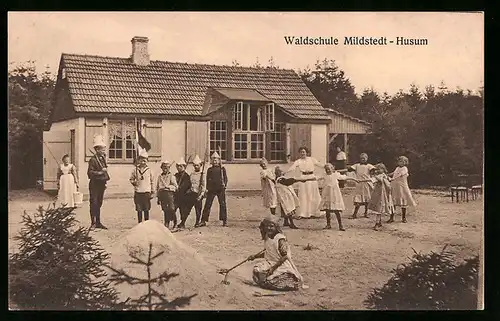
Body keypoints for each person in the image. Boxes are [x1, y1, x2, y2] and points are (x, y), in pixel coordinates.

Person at [247, 216, 305, 291]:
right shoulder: (267, 237)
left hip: (281, 264)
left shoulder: (280, 239)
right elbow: (268, 252)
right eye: (266, 226)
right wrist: (254, 256)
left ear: (276, 227)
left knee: (270, 280)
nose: (269, 228)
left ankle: (288, 281)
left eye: (271, 226)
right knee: (256, 271)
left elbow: (284, 257)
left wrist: (273, 268)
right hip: (270, 263)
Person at [317, 163, 358, 231]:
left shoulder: (335, 174)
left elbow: (345, 177)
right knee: (327, 210)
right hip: (327, 194)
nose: (328, 170)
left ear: (332, 169)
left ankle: (340, 225)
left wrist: (354, 179)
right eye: (326, 169)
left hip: (334, 195)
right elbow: (316, 177)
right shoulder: (324, 175)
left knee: (336, 210)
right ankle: (328, 224)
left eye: (329, 169)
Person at [286, 147, 323, 219]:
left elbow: (319, 165)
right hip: (303, 178)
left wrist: (327, 167)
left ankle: (314, 212)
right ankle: (303, 213)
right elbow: (293, 167)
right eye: (301, 152)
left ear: (307, 152)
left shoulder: (312, 159)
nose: (303, 153)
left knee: (313, 194)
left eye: (304, 152)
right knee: (303, 195)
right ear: (299, 153)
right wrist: (286, 172)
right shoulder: (298, 161)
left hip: (312, 177)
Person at [360, 163, 394, 231]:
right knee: (379, 208)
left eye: (379, 169)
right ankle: (379, 222)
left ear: (383, 169)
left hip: (382, 194)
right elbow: (390, 180)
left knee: (379, 209)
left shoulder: (381, 176)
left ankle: (377, 223)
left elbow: (372, 180)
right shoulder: (382, 176)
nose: (378, 170)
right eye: (377, 169)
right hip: (380, 194)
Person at [199, 151, 228, 227]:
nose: (215, 161)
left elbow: (225, 178)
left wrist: (224, 185)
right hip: (211, 189)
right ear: (211, 161)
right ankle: (203, 220)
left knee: (222, 204)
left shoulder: (222, 169)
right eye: (213, 160)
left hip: (220, 189)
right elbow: (208, 179)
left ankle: (224, 220)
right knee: (207, 205)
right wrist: (207, 188)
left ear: (219, 160)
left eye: (216, 160)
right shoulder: (209, 170)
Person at [87, 135, 110, 229]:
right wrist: (101, 172)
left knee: (99, 203)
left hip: (101, 184)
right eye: (102, 149)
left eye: (104, 149)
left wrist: (105, 179)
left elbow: (105, 170)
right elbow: (90, 173)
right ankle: (93, 223)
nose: (104, 151)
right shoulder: (92, 160)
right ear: (97, 150)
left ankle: (98, 222)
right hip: (94, 184)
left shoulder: (102, 158)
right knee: (94, 203)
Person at [387, 156, 417, 223]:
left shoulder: (405, 168)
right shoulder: (397, 168)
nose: (400, 162)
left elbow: (400, 174)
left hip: (402, 187)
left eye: (402, 161)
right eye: (399, 161)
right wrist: (387, 175)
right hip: (395, 186)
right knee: (393, 202)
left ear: (405, 162)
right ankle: (391, 217)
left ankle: (403, 218)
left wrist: (392, 178)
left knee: (403, 202)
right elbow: (394, 173)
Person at [130, 150, 155, 224]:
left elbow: (152, 181)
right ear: (138, 160)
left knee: (146, 208)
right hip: (138, 191)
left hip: (146, 191)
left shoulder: (149, 170)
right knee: (139, 209)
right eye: (141, 160)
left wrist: (152, 191)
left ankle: (147, 223)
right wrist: (134, 182)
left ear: (147, 161)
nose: (143, 162)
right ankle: (140, 222)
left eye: (144, 160)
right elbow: (131, 179)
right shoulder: (135, 170)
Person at [348, 153, 375, 219]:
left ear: (367, 158)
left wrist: (372, 171)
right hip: (359, 184)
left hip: (366, 184)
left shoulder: (369, 166)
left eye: (364, 158)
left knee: (367, 199)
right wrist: (350, 168)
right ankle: (355, 214)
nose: (363, 159)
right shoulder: (357, 165)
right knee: (358, 200)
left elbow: (373, 171)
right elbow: (350, 169)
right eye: (361, 158)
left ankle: (366, 213)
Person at [184, 155, 206, 228]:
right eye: (195, 165)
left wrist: (201, 195)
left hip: (198, 194)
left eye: (197, 165)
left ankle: (197, 222)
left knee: (198, 209)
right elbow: (190, 184)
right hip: (192, 193)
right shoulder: (192, 174)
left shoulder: (202, 175)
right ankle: (183, 222)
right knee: (187, 208)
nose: (196, 167)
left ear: (200, 165)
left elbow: (203, 186)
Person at [156, 160, 178, 228]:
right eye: (164, 167)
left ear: (169, 168)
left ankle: (175, 221)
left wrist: (168, 187)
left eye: (167, 167)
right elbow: (158, 187)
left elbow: (175, 186)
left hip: (169, 193)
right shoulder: (160, 177)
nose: (165, 169)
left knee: (171, 208)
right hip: (162, 194)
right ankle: (167, 222)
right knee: (165, 209)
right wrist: (158, 197)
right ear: (162, 168)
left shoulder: (171, 176)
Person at [174, 157, 191, 229]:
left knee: (183, 210)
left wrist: (180, 187)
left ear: (184, 167)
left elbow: (186, 185)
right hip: (176, 195)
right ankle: (174, 222)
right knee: (173, 209)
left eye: (181, 166)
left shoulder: (186, 176)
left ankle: (182, 223)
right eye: (178, 166)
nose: (179, 167)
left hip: (184, 195)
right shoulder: (176, 175)